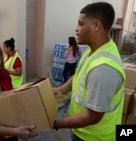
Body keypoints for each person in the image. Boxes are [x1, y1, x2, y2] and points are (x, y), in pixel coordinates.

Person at [52, 2, 125, 141]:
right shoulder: (92, 50)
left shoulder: (103, 69)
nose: (76, 29)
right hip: (82, 131)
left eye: (80, 24)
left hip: (94, 137)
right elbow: (80, 74)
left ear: (96, 25)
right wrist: (61, 89)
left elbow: (93, 116)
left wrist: (56, 124)